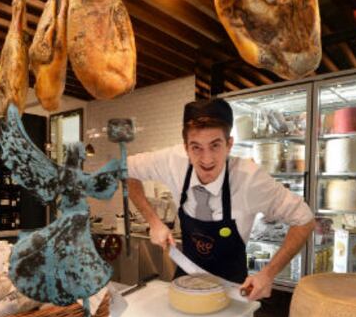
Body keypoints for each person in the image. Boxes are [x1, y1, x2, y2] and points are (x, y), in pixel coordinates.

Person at [126, 98, 315, 301]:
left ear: (229, 144)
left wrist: (268, 273)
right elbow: (125, 169)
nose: (206, 160)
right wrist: (154, 222)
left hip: (233, 291)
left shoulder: (250, 179)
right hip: (185, 281)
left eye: (215, 145)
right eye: (196, 147)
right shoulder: (172, 161)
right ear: (185, 147)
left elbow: (304, 219)